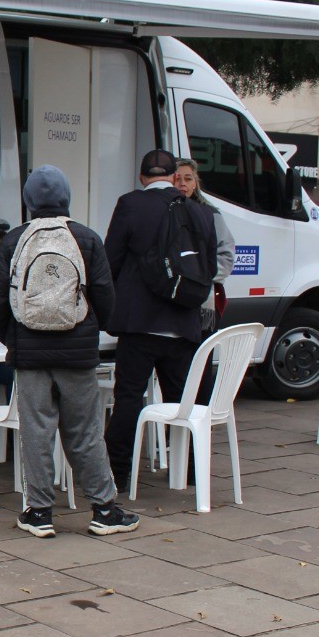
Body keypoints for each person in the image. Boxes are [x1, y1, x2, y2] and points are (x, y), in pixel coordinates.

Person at [0, 165, 139, 538]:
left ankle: (39, 513)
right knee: (85, 431)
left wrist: (13, 337)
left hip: (30, 354)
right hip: (78, 354)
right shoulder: (86, 239)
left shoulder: (14, 241)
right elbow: (105, 295)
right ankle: (104, 509)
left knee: (36, 432)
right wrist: (87, 332)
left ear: (28, 201)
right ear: (67, 198)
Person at [104, 149, 219, 491]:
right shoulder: (201, 213)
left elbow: (111, 260)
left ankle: (119, 475)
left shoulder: (130, 205)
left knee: (128, 398)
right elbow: (208, 269)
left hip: (138, 324)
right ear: (173, 177)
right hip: (184, 324)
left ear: (142, 178)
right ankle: (188, 472)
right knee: (182, 402)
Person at [172, 159, 235, 333]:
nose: (183, 183)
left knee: (201, 353)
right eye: (178, 178)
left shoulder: (210, 214)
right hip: (168, 301)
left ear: (195, 183)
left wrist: (199, 275)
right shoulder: (164, 210)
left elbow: (226, 254)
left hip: (201, 301)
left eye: (188, 178)